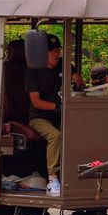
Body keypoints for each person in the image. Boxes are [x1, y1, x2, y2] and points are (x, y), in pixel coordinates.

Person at [25, 34, 84, 196]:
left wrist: (78, 85)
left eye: (57, 50)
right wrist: (56, 106)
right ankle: (52, 180)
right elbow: (36, 102)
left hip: (60, 116)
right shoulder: (33, 71)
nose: (56, 54)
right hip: (39, 118)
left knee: (77, 134)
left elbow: (79, 82)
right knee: (56, 136)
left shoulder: (64, 65)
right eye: (52, 51)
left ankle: (74, 175)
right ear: (43, 53)